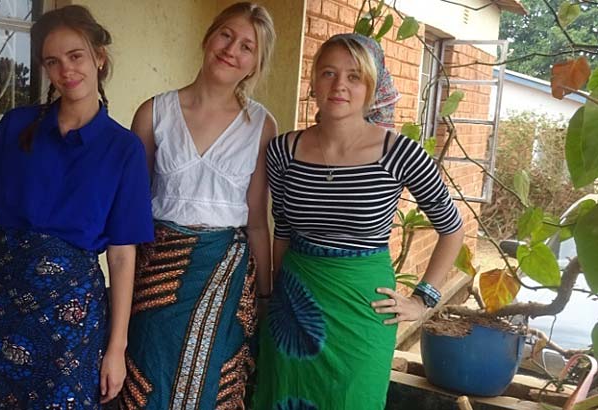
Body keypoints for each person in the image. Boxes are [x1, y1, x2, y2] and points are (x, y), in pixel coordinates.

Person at [0, 6, 154, 409]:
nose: (66, 71)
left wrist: (116, 348)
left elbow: (123, 256)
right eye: (52, 61)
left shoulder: (123, 149)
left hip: (72, 319)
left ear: (99, 57)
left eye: (76, 56)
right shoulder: (16, 126)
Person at [253, 33, 465, 409]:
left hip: (364, 309)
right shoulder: (283, 151)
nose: (340, 86)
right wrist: (270, 298)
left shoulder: (400, 153)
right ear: (314, 81)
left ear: (372, 86)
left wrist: (423, 300)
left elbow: (451, 227)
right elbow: (281, 230)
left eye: (354, 77)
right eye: (329, 73)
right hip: (295, 307)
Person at [117, 3, 277, 409]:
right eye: (226, 35)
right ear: (208, 37)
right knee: (147, 375)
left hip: (226, 275)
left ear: (255, 64)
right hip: (158, 279)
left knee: (213, 387)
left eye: (247, 47)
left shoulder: (260, 125)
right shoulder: (154, 112)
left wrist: (264, 296)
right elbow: (130, 214)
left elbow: (257, 221)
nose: (231, 50)